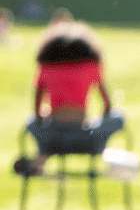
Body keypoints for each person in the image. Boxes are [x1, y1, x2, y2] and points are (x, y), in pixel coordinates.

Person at [16, 20, 123, 177]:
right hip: (88, 139)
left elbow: (37, 111)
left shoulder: (46, 68)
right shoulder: (91, 66)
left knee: (31, 122)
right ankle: (109, 160)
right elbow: (107, 105)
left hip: (53, 139)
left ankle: (41, 157)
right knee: (118, 117)